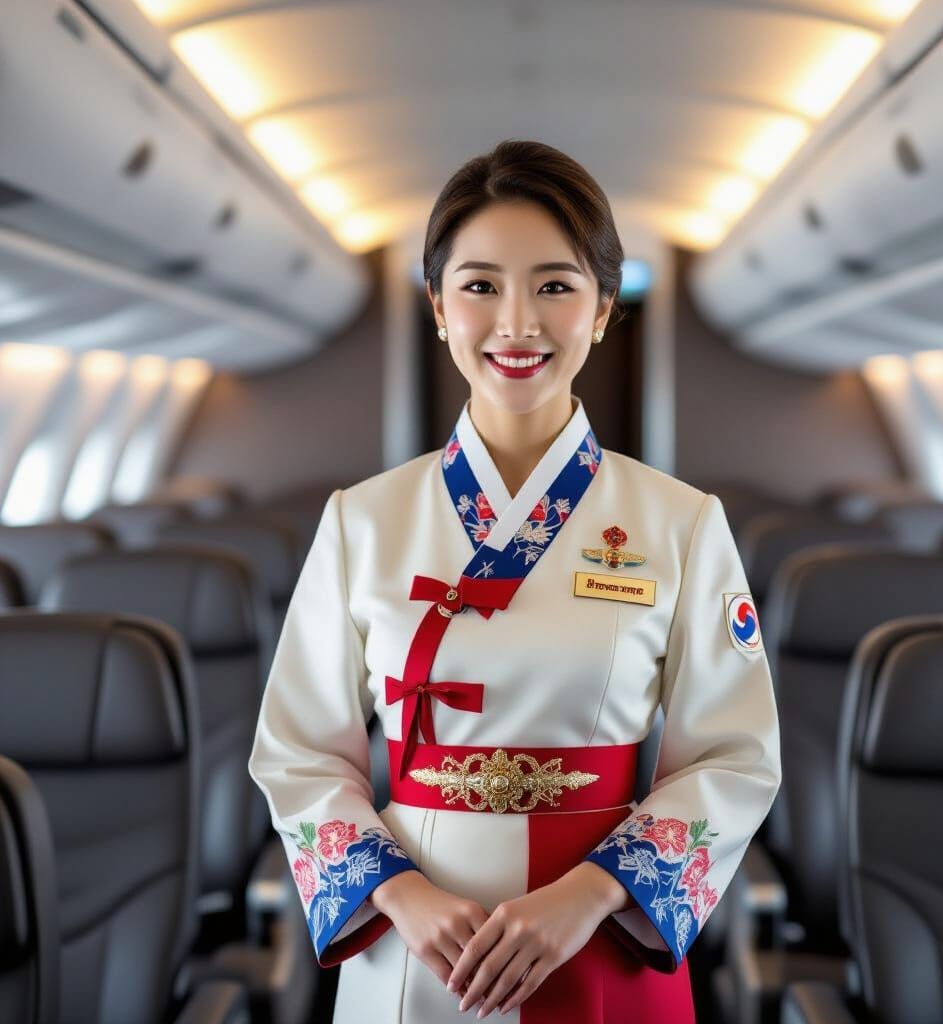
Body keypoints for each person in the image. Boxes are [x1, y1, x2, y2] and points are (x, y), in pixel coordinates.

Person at [248, 138, 782, 1023]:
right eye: (481, 285)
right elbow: (299, 752)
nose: (517, 324)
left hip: (602, 939)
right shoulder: (362, 521)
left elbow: (737, 755)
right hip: (416, 948)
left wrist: (592, 895)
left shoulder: (682, 523)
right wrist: (399, 898)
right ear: (437, 306)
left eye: (556, 286)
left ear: (605, 308)